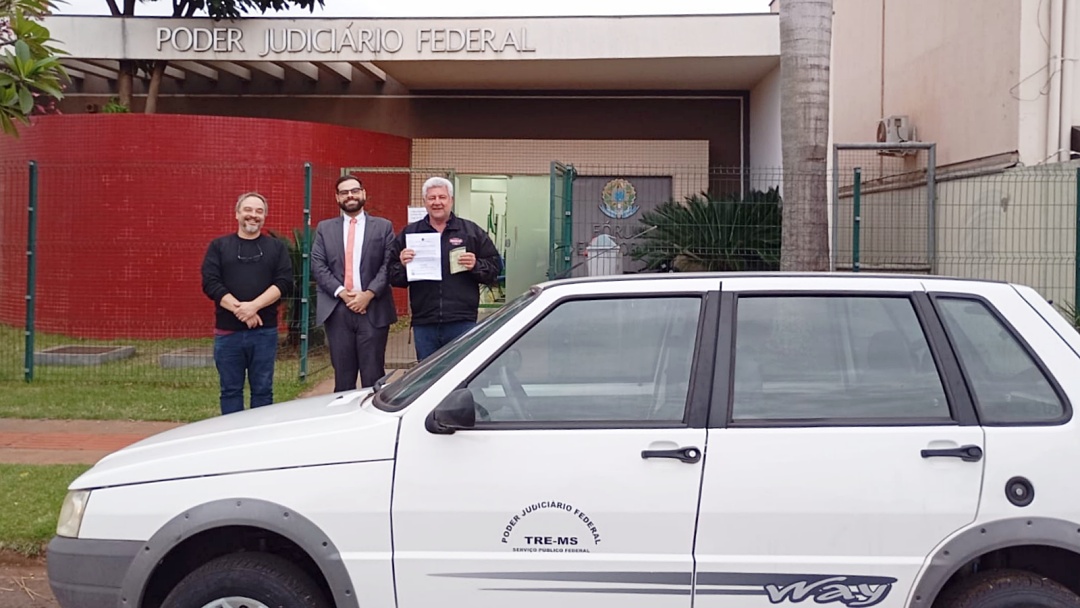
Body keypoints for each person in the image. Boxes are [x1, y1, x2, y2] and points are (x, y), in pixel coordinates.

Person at [389, 176, 502, 361]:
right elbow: (392, 275)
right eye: (432, 198)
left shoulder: (470, 232)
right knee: (428, 377)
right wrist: (402, 265)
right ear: (425, 202)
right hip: (425, 322)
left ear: (451, 200)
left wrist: (476, 265)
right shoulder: (410, 233)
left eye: (442, 197)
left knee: (461, 374)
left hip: (462, 321)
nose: (437, 202)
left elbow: (494, 268)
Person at [200, 192, 293, 415]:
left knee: (263, 390)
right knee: (230, 390)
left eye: (259, 211)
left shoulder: (276, 248)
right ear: (237, 214)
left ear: (265, 217)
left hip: (264, 333)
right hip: (227, 334)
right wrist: (241, 310)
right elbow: (211, 283)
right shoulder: (219, 246)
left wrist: (254, 307)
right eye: (248, 210)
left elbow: (284, 282)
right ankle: (232, 440)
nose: (253, 216)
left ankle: (259, 439)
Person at [311, 174, 398, 391]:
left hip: (373, 309)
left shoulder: (383, 227)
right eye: (344, 192)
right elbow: (318, 265)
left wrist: (367, 294)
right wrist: (342, 292)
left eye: (355, 190)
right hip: (338, 309)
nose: (350, 195)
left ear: (363, 193)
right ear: (337, 198)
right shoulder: (324, 228)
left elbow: (388, 264)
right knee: (343, 376)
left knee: (373, 375)